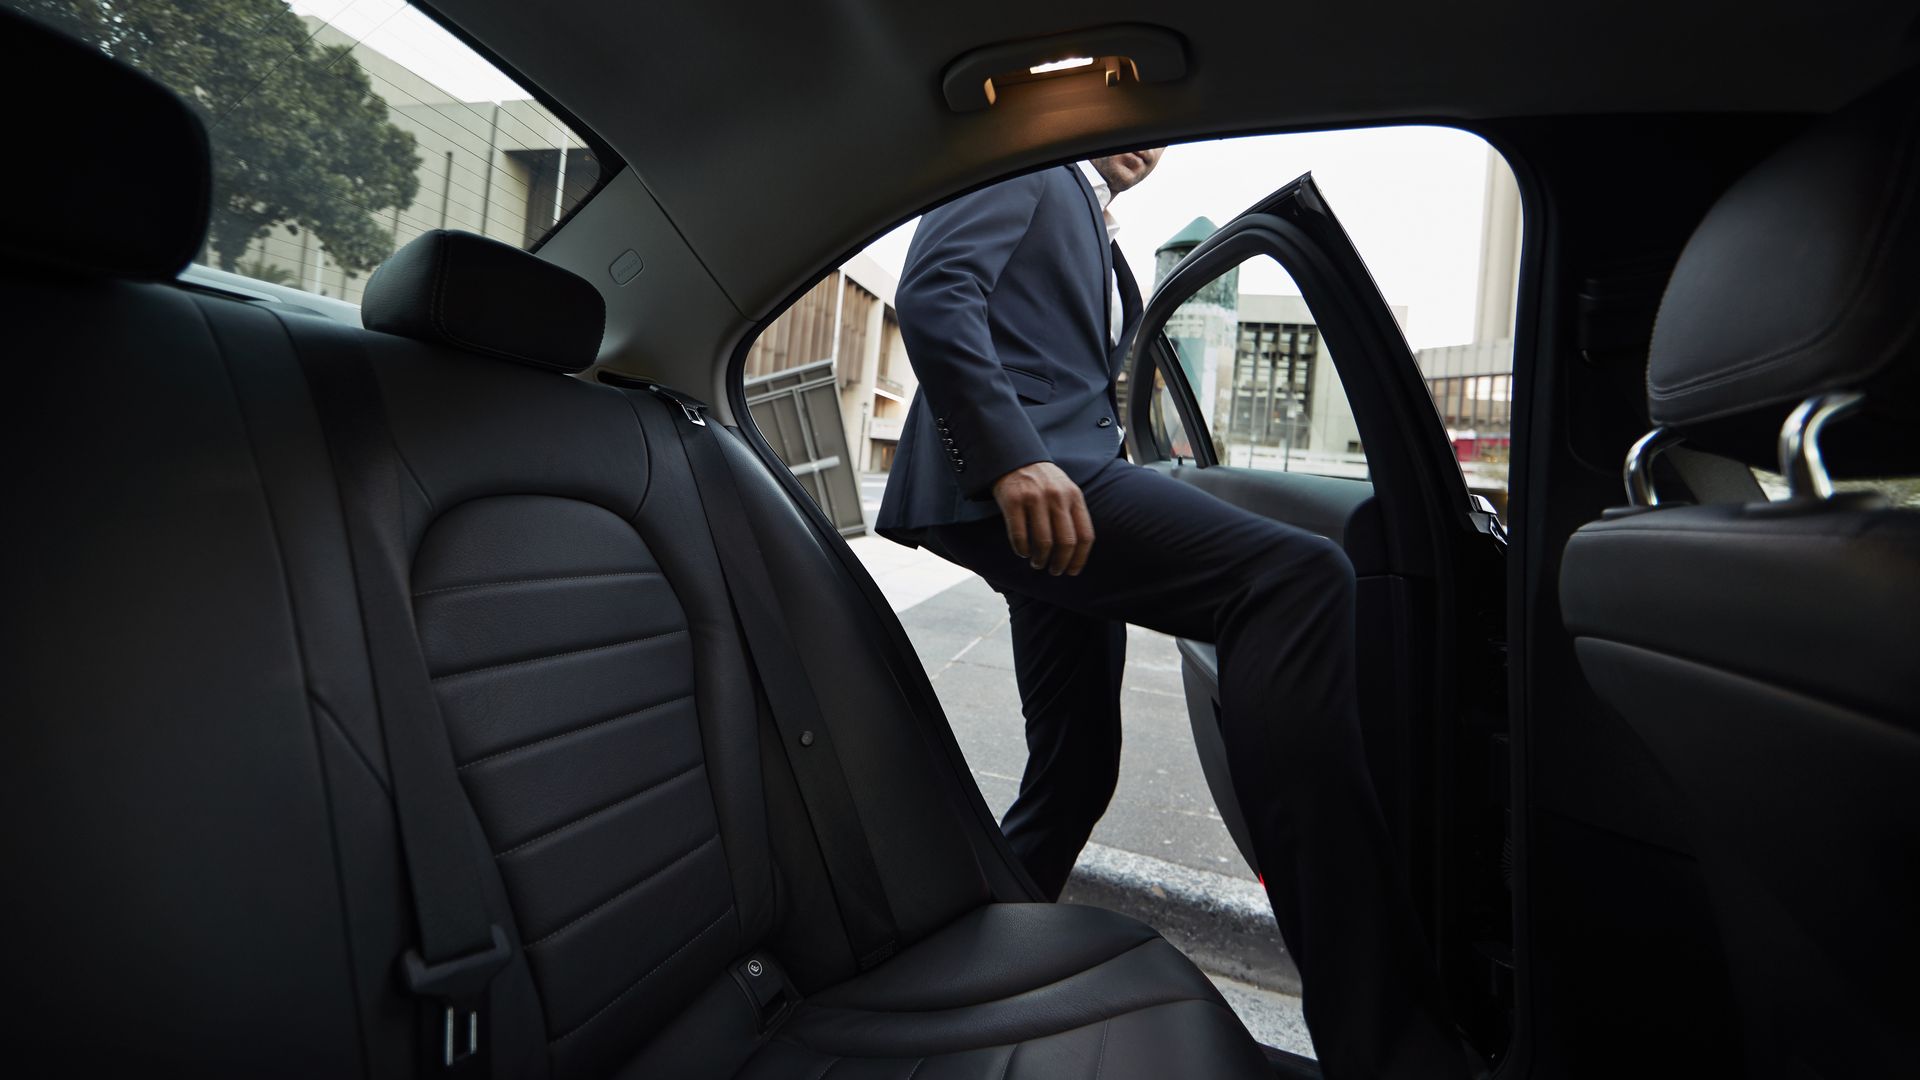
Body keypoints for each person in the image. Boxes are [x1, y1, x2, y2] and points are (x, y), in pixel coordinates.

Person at [876, 151, 1472, 1079]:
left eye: (1159, 143)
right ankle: (1390, 1049)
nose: (1144, 148)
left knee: (1076, 770)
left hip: (1056, 484)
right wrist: (1006, 457)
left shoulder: (1104, 238)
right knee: (1293, 577)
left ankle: (952, 960)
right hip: (1029, 481)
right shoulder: (1027, 165)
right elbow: (934, 292)